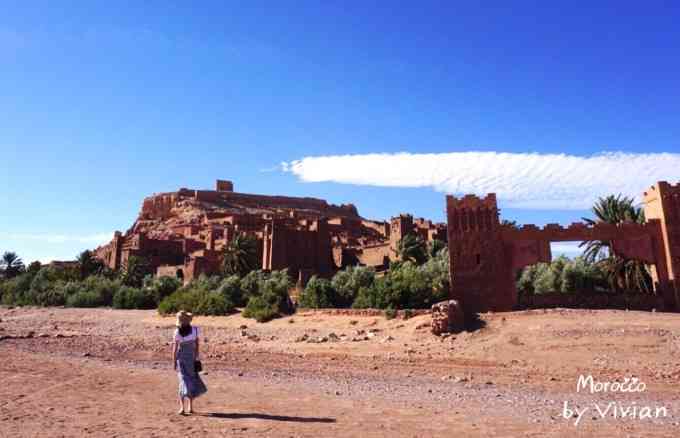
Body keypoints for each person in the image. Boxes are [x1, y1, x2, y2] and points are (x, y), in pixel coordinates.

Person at [172, 310, 207, 415]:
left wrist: (173, 361)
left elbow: (175, 349)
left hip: (181, 358)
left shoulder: (177, 332)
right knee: (191, 380)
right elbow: (197, 344)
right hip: (191, 358)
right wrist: (196, 356)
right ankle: (190, 407)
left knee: (183, 381)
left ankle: (182, 408)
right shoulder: (195, 330)